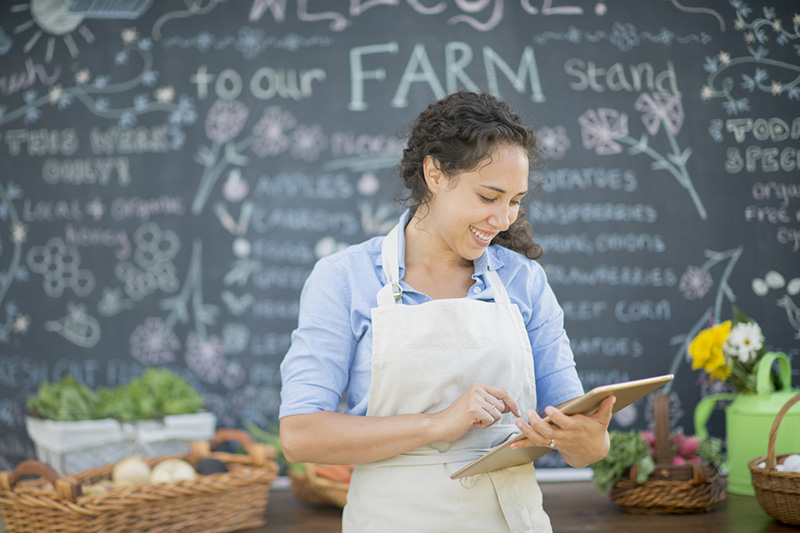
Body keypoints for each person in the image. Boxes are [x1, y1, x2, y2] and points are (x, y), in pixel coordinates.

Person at [279, 91, 614, 532]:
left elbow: (573, 435)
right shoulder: (344, 280)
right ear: (434, 173)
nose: (504, 219)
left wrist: (590, 442)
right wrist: (439, 424)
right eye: (489, 196)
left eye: (515, 200)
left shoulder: (524, 281)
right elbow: (301, 436)